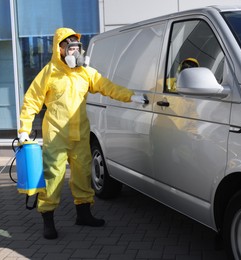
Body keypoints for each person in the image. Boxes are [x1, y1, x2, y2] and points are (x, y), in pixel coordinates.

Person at [18, 27, 146, 239]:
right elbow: (31, 101)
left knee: (83, 176)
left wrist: (130, 96)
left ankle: (84, 215)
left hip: (80, 135)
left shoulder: (86, 73)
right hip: (56, 136)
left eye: (77, 47)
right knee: (52, 179)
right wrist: (24, 130)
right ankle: (48, 221)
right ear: (59, 49)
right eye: (70, 47)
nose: (74, 52)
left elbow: (107, 86)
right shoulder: (49, 73)